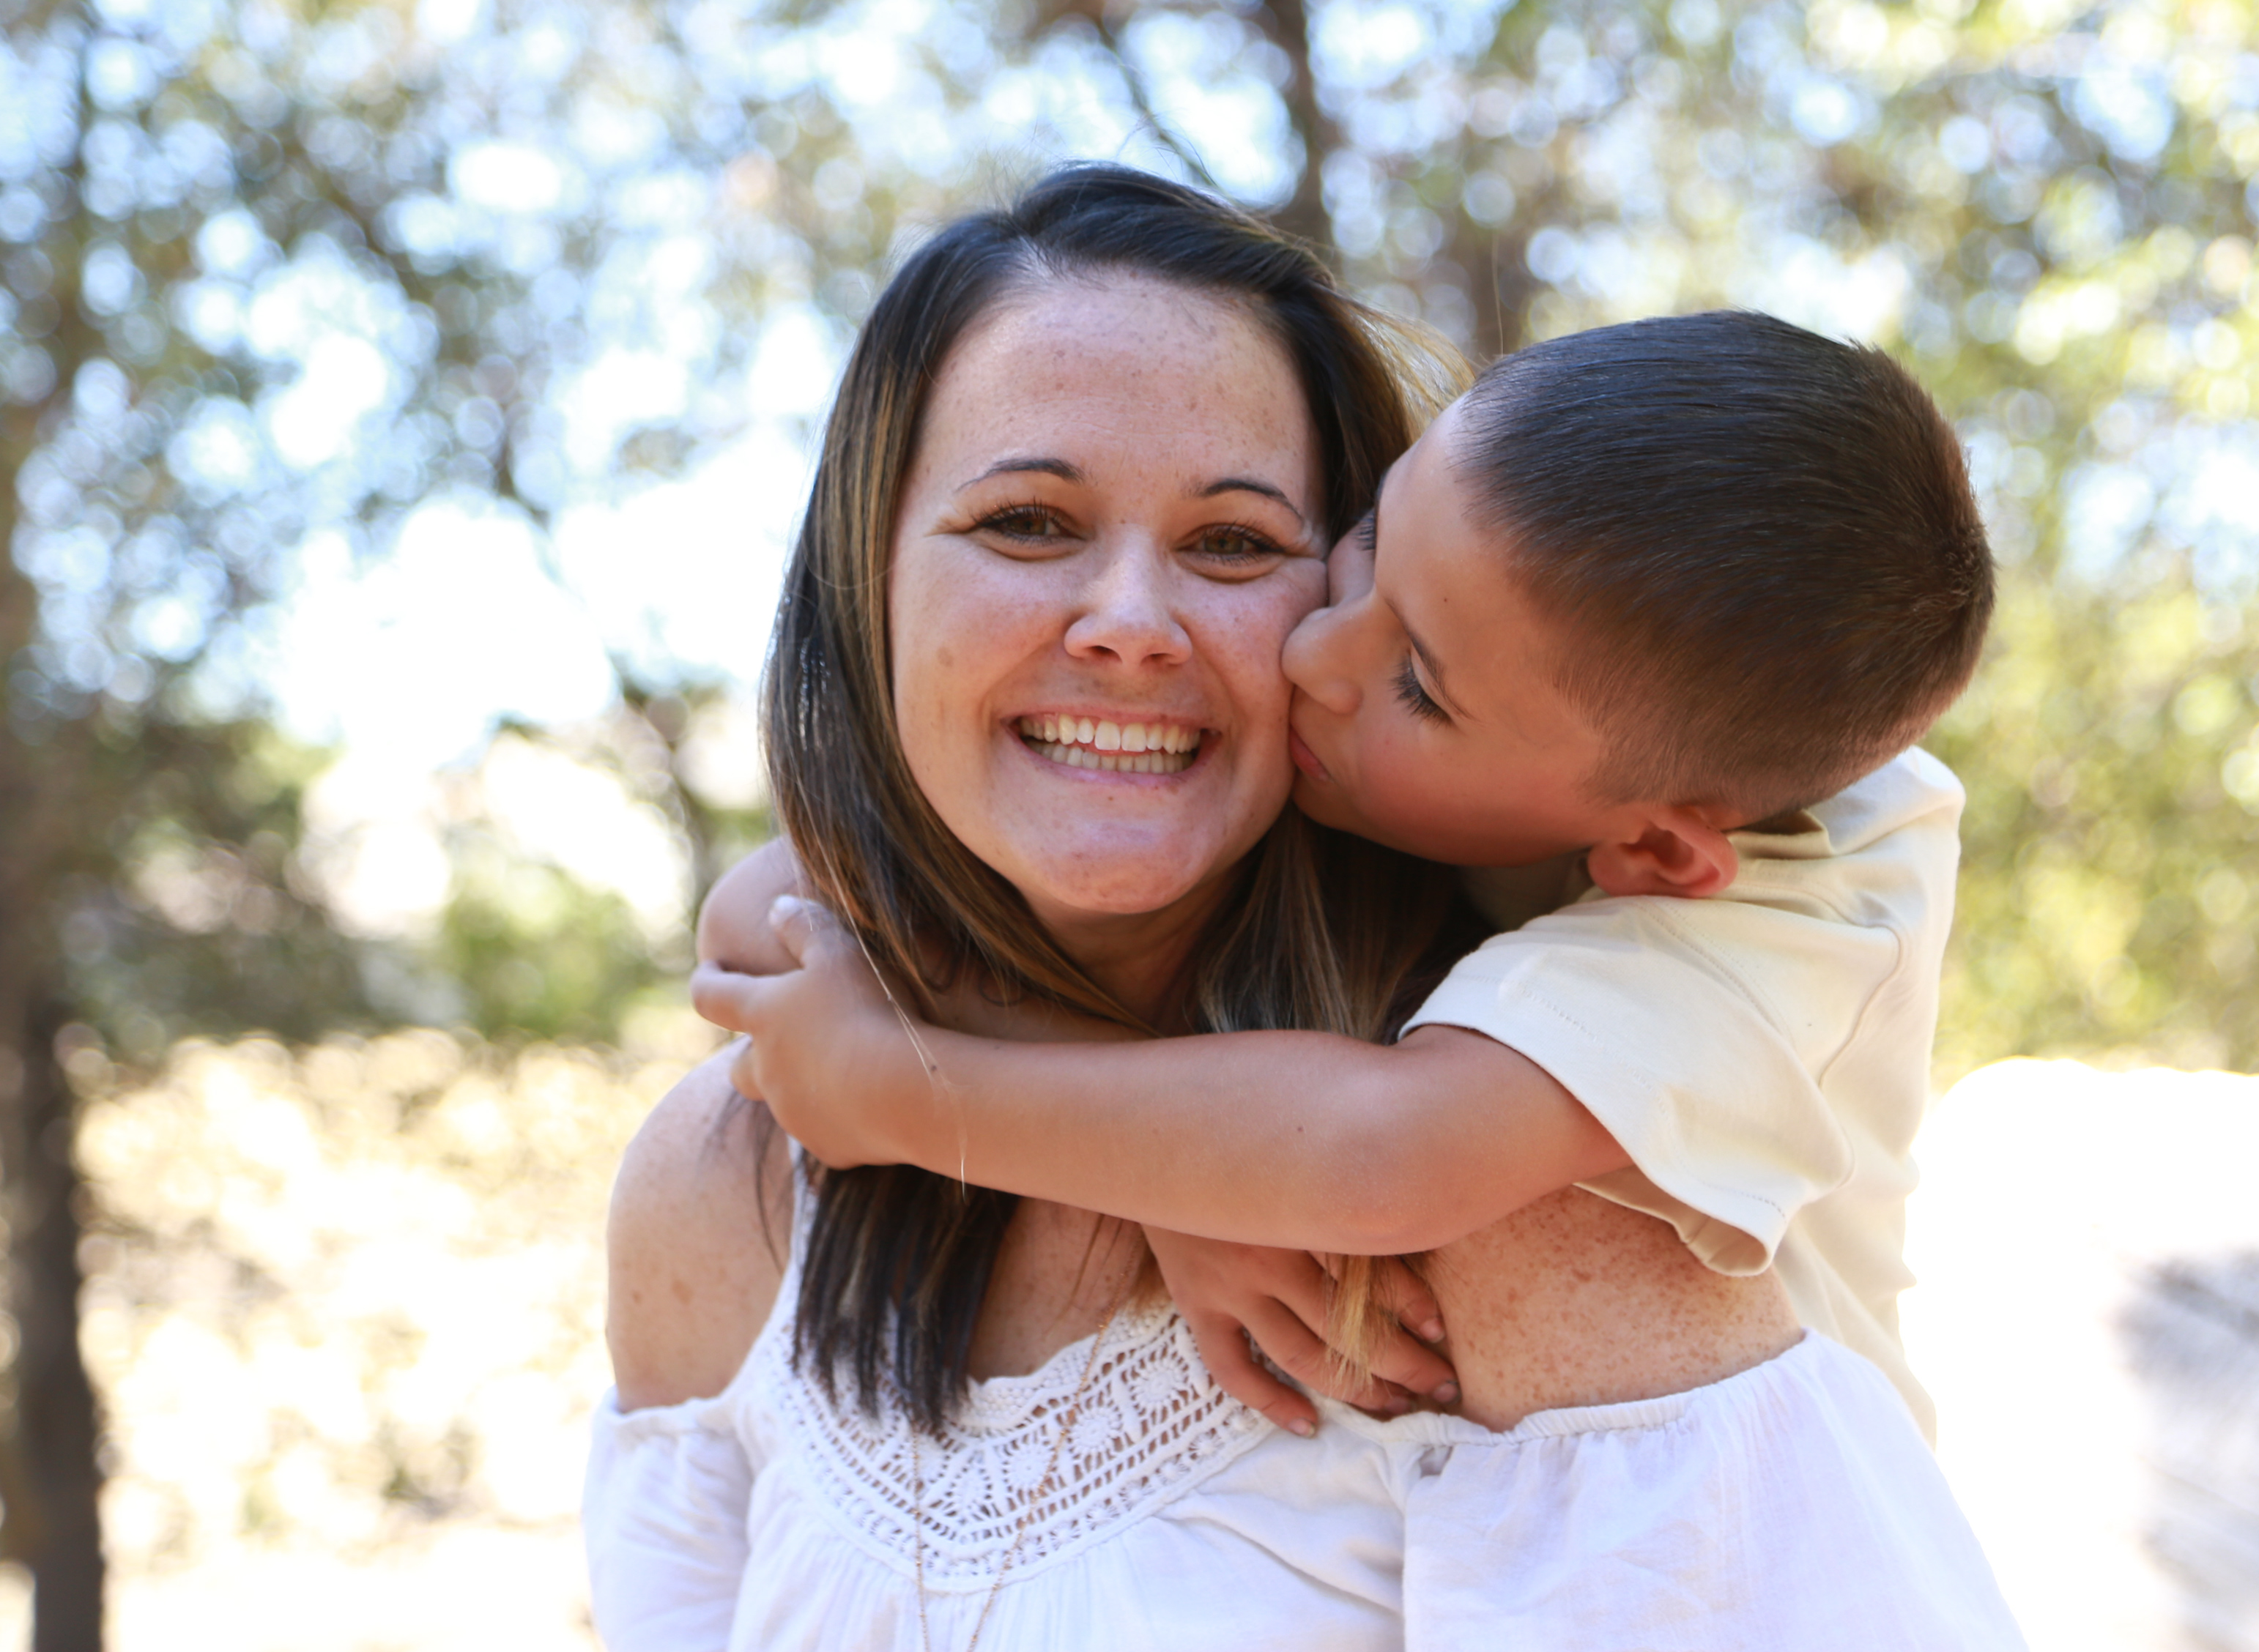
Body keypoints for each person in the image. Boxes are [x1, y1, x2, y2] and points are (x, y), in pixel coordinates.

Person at [591, 165, 2018, 1650]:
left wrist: (926, 1095)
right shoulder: (721, 1187)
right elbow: (774, 903)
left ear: (1657, 848)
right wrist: (1142, 1165)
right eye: (1024, 520)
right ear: (863, 576)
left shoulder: (1764, 905)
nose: (1141, 626)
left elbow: (1377, 1154)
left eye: (1236, 542)